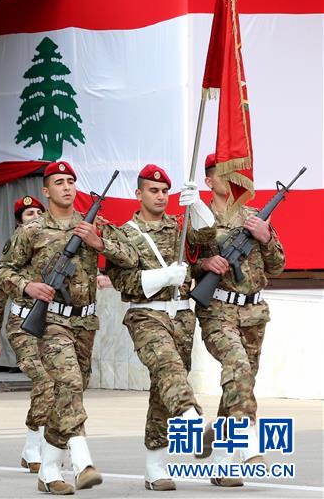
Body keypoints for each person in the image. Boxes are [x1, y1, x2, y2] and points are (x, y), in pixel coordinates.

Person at [0, 161, 138, 494]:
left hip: (85, 320)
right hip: (50, 320)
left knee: (69, 392)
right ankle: (82, 460)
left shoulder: (94, 224)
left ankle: (47, 470)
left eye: (71, 181)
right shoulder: (31, 231)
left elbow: (131, 257)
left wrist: (99, 242)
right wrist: (28, 287)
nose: (67, 186)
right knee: (69, 381)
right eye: (59, 182)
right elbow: (2, 273)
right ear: (46, 191)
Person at [105, 164, 215, 491]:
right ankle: (194, 425)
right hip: (146, 315)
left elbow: (208, 236)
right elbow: (120, 279)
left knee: (162, 389)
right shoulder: (125, 233)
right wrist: (164, 277)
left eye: (165, 190)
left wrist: (197, 204)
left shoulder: (179, 226)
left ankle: (155, 466)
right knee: (168, 369)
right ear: (138, 194)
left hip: (181, 316)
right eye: (153, 190)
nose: (161, 196)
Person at [193, 154, 286, 487]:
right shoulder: (199, 219)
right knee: (239, 369)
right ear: (209, 181)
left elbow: (277, 266)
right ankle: (248, 446)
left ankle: (220, 459)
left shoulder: (253, 217)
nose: (233, 178)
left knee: (240, 383)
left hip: (253, 313)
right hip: (217, 308)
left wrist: (267, 236)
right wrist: (205, 265)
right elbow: (186, 265)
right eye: (224, 173)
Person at [0, 195, 51, 472]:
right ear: (19, 222)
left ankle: (36, 446)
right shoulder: (14, 248)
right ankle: (34, 446)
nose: (35, 216)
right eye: (29, 214)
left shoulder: (53, 243)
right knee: (44, 379)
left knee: (54, 384)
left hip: (52, 326)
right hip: (22, 325)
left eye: (39, 212)